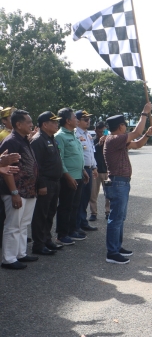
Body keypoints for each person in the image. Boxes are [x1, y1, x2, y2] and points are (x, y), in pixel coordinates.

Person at [104, 102, 152, 264]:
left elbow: (138, 143)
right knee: (116, 218)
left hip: (122, 182)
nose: (126, 128)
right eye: (125, 125)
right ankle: (112, 252)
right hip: (118, 182)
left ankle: (117, 247)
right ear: (120, 126)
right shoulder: (114, 139)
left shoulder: (117, 140)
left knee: (120, 217)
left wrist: (147, 135)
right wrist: (144, 112)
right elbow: (136, 132)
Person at [0, 110, 39, 270]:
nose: (31, 125)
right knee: (13, 225)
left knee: (23, 224)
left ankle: (20, 253)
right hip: (16, 191)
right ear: (19, 124)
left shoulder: (24, 140)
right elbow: (6, 168)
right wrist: (14, 192)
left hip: (28, 190)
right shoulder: (11, 141)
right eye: (29, 122)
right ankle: (8, 258)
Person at [30, 111, 65, 255]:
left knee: (50, 213)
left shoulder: (51, 139)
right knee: (41, 215)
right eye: (54, 122)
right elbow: (36, 166)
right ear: (45, 124)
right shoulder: (38, 140)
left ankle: (47, 239)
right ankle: (38, 244)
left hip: (55, 182)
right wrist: (41, 184)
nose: (57, 124)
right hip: (46, 183)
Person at [54, 108, 89, 246]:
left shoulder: (73, 134)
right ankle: (62, 234)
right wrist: (68, 176)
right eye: (75, 117)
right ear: (68, 120)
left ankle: (72, 230)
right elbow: (60, 159)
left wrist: (83, 171)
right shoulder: (60, 136)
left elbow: (78, 155)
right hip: (68, 177)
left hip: (78, 175)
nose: (77, 120)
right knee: (65, 206)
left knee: (75, 205)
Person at [74, 110, 98, 232]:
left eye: (89, 119)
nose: (88, 121)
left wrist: (94, 166)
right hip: (80, 170)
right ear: (77, 121)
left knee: (86, 198)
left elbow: (90, 153)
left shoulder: (88, 134)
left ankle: (83, 222)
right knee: (79, 199)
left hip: (89, 169)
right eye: (85, 119)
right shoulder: (75, 134)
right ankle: (77, 224)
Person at [89, 121, 109, 221]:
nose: (103, 134)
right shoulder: (91, 141)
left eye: (105, 131)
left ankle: (108, 212)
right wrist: (99, 143)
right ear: (95, 131)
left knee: (109, 194)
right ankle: (93, 213)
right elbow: (90, 152)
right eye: (101, 131)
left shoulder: (109, 141)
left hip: (107, 171)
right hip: (95, 171)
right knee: (93, 194)